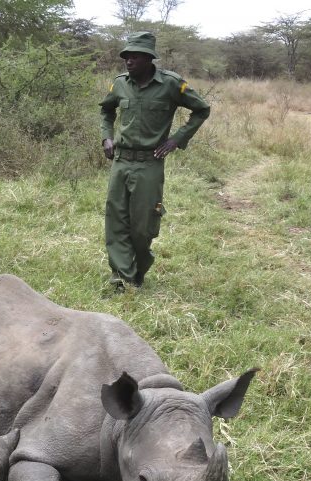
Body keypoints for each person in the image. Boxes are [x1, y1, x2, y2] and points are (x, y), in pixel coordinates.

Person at [100, 31, 210, 292]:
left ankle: (138, 269)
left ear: (150, 59)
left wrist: (177, 139)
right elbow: (106, 110)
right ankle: (121, 279)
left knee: (143, 227)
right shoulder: (119, 84)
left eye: (135, 57)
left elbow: (201, 109)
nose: (129, 61)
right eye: (127, 56)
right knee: (116, 221)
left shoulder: (171, 84)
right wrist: (107, 137)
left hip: (150, 163)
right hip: (121, 161)